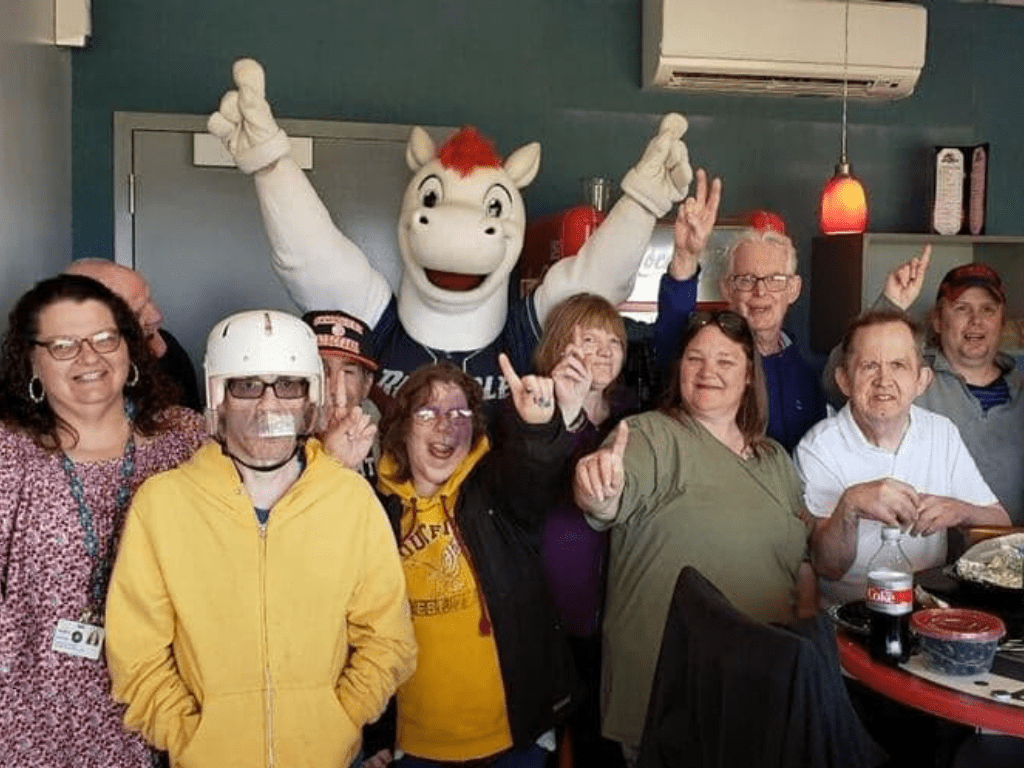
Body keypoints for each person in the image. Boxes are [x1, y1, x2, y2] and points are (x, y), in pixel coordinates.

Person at [105, 310, 417, 768]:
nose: (269, 406)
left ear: (309, 398)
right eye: (247, 385)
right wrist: (189, 737)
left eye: (288, 385)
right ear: (219, 397)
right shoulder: (163, 504)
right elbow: (136, 654)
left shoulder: (350, 499)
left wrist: (340, 720)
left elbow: (388, 639)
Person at [573, 308, 812, 765]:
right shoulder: (649, 435)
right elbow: (608, 498)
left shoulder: (775, 459)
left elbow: (802, 563)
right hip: (670, 703)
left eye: (725, 361)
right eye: (695, 358)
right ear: (678, 367)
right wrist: (598, 488)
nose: (708, 371)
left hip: (761, 692)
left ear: (749, 376)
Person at [0, 274, 206, 768]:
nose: (89, 358)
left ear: (130, 348)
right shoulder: (9, 454)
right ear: (32, 361)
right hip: (33, 725)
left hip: (161, 712)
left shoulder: (188, 440)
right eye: (63, 345)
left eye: (104, 338)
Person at [373, 356, 576, 767]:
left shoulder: (495, 489)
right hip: (415, 742)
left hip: (512, 737)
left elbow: (533, 473)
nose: (445, 425)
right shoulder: (374, 510)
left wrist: (536, 428)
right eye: (427, 412)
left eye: (459, 414)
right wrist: (375, 730)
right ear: (403, 426)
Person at [797, 309, 1010, 608]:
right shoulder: (818, 447)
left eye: (898, 365)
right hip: (848, 615)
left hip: (928, 609)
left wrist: (961, 511)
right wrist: (850, 505)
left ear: (921, 380)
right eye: (869, 366)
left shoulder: (941, 433)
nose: (883, 380)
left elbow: (1001, 523)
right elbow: (828, 567)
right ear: (844, 380)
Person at [826, 253, 1024, 525]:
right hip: (920, 543)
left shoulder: (1020, 388)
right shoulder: (910, 376)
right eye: (962, 308)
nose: (976, 320)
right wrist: (890, 306)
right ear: (938, 320)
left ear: (1002, 321)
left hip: (1007, 546)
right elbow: (836, 381)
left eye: (988, 309)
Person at [533, 293, 631, 767]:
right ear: (560, 346)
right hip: (546, 608)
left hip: (610, 609)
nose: (605, 351)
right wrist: (566, 416)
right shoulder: (532, 410)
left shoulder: (630, 415)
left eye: (614, 341)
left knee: (600, 737)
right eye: (590, 339)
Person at [655, 213, 827, 452]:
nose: (760, 291)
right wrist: (686, 257)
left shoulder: (808, 377)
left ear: (794, 289)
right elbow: (673, 332)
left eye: (775, 279)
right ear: (727, 289)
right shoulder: (707, 361)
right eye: (746, 279)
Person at [66, 258, 203, 411]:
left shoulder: (162, 344)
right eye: (137, 314)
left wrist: (163, 358)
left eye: (149, 300)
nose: (156, 317)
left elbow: (191, 415)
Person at [303, 309, 382, 482]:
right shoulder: (276, 441)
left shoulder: (384, 432)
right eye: (323, 369)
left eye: (348, 372)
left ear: (366, 385)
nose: (333, 387)